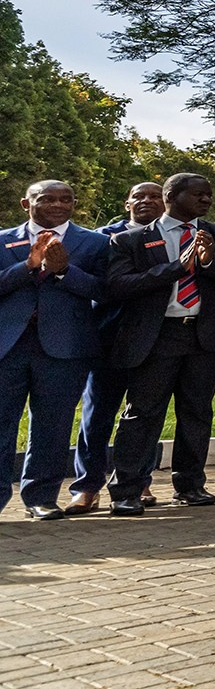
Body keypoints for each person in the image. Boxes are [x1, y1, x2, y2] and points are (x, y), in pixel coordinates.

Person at [101, 172, 215, 514]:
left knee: (196, 412)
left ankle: (190, 485)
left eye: (209, 195)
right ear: (172, 196)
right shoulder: (131, 240)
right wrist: (174, 269)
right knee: (143, 414)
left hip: (203, 335)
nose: (207, 200)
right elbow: (118, 286)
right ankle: (127, 490)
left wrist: (211, 262)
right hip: (156, 336)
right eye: (199, 194)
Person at [0, 180, 108, 520]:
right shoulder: (3, 240)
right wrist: (28, 266)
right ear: (25, 203)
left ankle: (41, 497)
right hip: (8, 346)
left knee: (53, 426)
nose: (58, 205)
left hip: (64, 348)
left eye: (66, 199)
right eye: (47, 199)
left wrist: (63, 271)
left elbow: (106, 291)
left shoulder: (94, 243)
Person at [67, 181, 165, 513]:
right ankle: (87, 486)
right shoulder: (101, 239)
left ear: (166, 202)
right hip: (109, 337)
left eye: (155, 196)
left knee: (146, 414)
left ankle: (141, 481)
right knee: (97, 415)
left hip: (155, 339)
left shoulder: (174, 238)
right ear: (127, 203)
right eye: (140, 196)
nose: (147, 201)